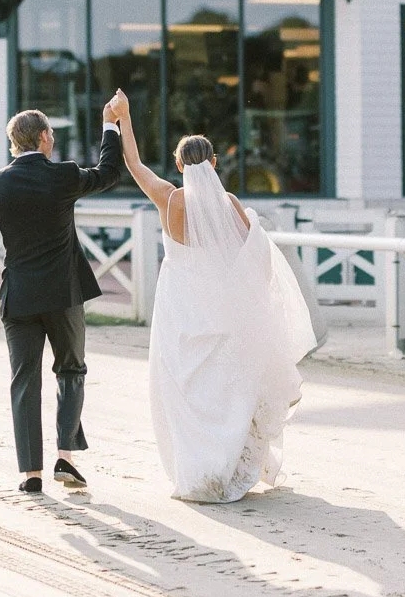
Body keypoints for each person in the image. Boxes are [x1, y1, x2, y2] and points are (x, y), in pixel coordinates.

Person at [109, 89, 317, 503]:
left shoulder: (169, 200)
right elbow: (253, 256)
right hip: (223, 309)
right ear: (215, 163)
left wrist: (124, 118)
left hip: (181, 309)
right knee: (226, 390)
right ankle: (228, 467)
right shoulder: (230, 204)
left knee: (184, 391)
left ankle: (196, 472)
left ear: (178, 164)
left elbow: (132, 163)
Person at [0, 102, 125, 494]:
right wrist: (109, 125)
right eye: (51, 133)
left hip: (18, 298)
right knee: (70, 371)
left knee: (24, 381)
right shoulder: (64, 176)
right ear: (41, 138)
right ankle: (65, 457)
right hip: (63, 294)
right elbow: (109, 173)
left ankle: (30, 474)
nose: (53, 139)